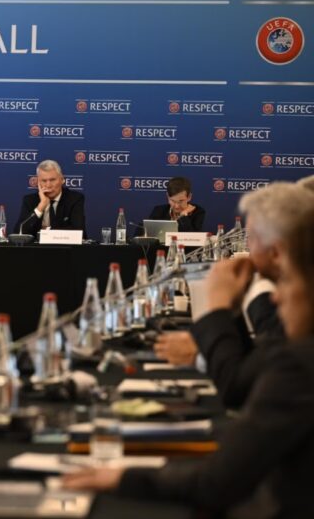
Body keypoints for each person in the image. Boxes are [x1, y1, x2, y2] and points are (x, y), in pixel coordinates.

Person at [63, 204, 314, 518]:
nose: (275, 296)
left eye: (287, 282)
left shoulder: (300, 363)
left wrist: (123, 477)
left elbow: (217, 482)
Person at [153, 183, 314, 409]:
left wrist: (218, 307)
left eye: (251, 237)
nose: (246, 245)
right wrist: (234, 309)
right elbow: (252, 370)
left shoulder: (301, 314)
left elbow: (237, 391)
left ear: (276, 251)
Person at [14, 160, 85, 236]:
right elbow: (19, 232)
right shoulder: (30, 200)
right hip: (38, 244)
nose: (48, 185)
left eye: (52, 180)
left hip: (65, 244)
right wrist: (41, 206)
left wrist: (46, 233)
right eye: (44, 181)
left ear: (62, 180)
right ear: (38, 183)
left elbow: (78, 231)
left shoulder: (74, 199)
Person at [141, 176, 205, 234]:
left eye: (181, 201)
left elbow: (193, 237)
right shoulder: (159, 210)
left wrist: (183, 216)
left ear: (189, 197)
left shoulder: (198, 212)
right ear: (167, 196)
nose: (176, 206)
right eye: (173, 201)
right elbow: (144, 232)